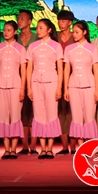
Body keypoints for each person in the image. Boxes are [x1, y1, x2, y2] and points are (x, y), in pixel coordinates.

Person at [27, 19, 63, 159]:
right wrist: (29, 87)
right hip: (36, 82)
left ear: (49, 30)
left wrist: (59, 87)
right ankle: (42, 149)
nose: (38, 30)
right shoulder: (32, 46)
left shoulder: (56, 46)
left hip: (52, 82)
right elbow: (29, 68)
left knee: (51, 114)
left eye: (41, 27)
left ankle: (50, 148)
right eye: (37, 27)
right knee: (39, 114)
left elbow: (60, 68)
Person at [0, 21, 27, 159]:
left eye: (9, 30)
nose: (5, 32)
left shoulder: (20, 49)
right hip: (0, 85)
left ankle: (13, 149)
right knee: (3, 117)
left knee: (15, 116)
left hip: (16, 85)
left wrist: (23, 89)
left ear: (15, 32)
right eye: (5, 30)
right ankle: (6, 149)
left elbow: (23, 71)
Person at [63, 21, 98, 146]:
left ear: (84, 32)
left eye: (77, 32)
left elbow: (96, 70)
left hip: (89, 86)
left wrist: (97, 90)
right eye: (73, 32)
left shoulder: (92, 48)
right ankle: (81, 146)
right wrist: (66, 89)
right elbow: (67, 70)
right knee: (76, 117)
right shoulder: (69, 49)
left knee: (89, 117)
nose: (74, 34)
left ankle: (90, 145)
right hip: (73, 86)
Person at [16, 9, 39, 155]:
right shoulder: (15, 38)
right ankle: (24, 145)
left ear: (30, 21)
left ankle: (34, 145)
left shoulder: (36, 38)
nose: (19, 21)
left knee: (35, 112)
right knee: (22, 112)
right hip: (18, 78)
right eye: (18, 18)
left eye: (23, 19)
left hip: (35, 77)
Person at [56, 10, 77, 155]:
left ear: (70, 22)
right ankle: (64, 146)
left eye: (63, 20)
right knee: (60, 112)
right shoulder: (55, 38)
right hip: (57, 78)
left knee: (73, 112)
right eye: (59, 20)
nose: (60, 23)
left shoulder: (75, 38)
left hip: (73, 77)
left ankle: (74, 146)